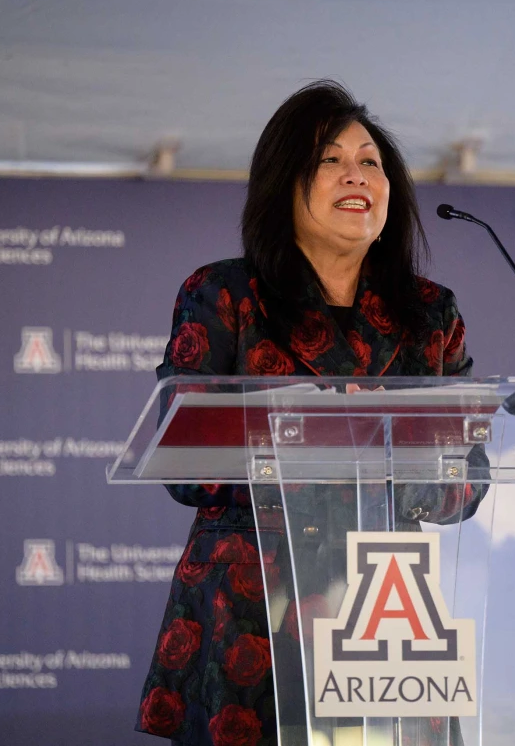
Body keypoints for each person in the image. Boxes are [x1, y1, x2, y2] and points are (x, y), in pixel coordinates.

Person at [135, 80, 484, 746]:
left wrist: (395, 472)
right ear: (283, 182)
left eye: (371, 161)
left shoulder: (432, 315)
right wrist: (340, 445)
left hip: (384, 602)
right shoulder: (223, 296)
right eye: (330, 159)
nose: (357, 174)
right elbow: (187, 466)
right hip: (255, 608)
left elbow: (470, 480)